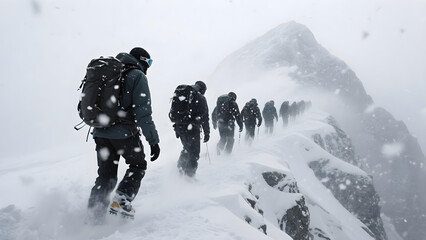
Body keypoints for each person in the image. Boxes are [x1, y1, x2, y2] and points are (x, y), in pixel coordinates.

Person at [87, 47, 160, 222]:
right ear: (141, 60)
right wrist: (153, 141)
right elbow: (143, 112)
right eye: (148, 62)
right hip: (124, 133)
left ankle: (93, 215)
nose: (148, 66)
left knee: (106, 175)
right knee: (138, 165)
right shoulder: (137, 76)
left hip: (100, 132)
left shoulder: (110, 73)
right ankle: (121, 200)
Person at [171, 81, 210, 177]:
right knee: (194, 154)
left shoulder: (183, 92)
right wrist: (207, 133)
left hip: (179, 127)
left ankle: (180, 169)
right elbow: (205, 117)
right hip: (192, 128)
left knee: (187, 148)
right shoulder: (200, 98)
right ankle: (189, 177)